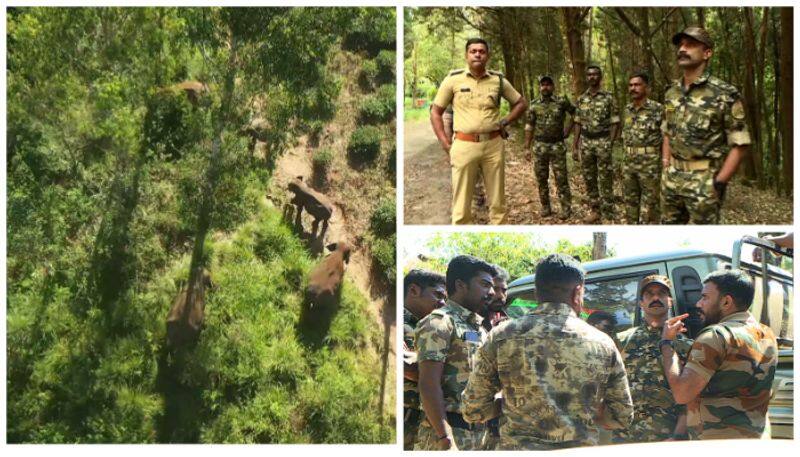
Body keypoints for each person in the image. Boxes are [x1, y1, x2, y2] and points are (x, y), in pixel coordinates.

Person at [462, 254, 633, 450]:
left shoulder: (501, 336)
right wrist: (581, 410)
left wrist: (512, 405)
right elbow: (621, 416)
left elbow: (473, 409)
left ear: (536, 292)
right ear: (578, 292)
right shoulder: (602, 343)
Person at [660, 270, 778, 439]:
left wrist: (667, 344)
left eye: (705, 297)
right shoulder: (767, 334)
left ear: (726, 302)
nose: (699, 304)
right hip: (757, 439)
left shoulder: (715, 336)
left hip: (719, 443)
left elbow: (682, 393)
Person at [431, 38, 528, 225]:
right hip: (464, 145)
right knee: (460, 207)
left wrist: (505, 121)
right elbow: (435, 112)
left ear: (487, 56)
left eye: (482, 51)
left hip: (493, 145)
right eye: (473, 51)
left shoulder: (498, 80)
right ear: (466, 55)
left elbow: (521, 103)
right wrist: (445, 142)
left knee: (498, 203)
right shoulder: (453, 80)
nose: (477, 54)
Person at [661, 27, 750, 224]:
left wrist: (719, 182)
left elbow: (740, 143)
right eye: (681, 44)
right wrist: (666, 164)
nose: (683, 49)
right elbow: (667, 130)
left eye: (691, 44)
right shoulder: (671, 92)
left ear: (707, 53)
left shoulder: (724, 94)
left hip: (704, 180)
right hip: (671, 178)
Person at [414, 255, 497, 450]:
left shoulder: (480, 329)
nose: (491, 292)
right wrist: (445, 436)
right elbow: (428, 384)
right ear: (461, 285)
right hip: (447, 435)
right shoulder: (439, 323)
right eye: (485, 285)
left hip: (479, 436)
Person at [613, 275, 691, 444]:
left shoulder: (684, 346)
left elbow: (691, 396)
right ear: (641, 303)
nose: (656, 298)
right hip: (625, 439)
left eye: (661, 293)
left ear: (669, 301)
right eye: (649, 294)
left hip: (666, 439)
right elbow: (608, 387)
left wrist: (678, 436)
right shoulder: (622, 341)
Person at [403, 269, 447, 450]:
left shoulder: (431, 327)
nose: (443, 302)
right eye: (437, 295)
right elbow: (407, 367)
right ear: (413, 291)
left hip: (422, 420)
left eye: (445, 297)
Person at [524, 75, 576, 220]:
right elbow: (529, 126)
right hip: (540, 146)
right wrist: (527, 147)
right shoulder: (534, 105)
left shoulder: (561, 102)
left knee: (561, 178)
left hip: (557, 145)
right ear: (540, 87)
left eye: (548, 84)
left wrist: (568, 130)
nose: (545, 87)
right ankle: (546, 207)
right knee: (541, 178)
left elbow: (575, 114)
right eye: (543, 85)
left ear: (553, 87)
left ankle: (566, 208)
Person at [573, 65, 620, 224]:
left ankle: (608, 212)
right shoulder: (581, 99)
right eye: (589, 74)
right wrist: (575, 145)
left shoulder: (608, 97)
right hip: (586, 142)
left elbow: (615, 122)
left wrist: (610, 143)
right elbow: (578, 123)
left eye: (595, 74)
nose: (592, 77)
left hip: (602, 141)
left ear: (600, 77)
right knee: (589, 177)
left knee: (605, 177)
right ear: (587, 77)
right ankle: (595, 210)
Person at [622, 72, 664, 224]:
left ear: (647, 88)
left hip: (649, 164)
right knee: (630, 203)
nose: (633, 88)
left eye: (637, 85)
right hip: (629, 163)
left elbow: (667, 136)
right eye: (631, 85)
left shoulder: (658, 109)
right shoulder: (627, 109)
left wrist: (666, 160)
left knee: (650, 206)